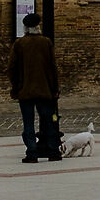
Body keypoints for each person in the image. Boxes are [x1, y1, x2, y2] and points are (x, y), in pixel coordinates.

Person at [10, 12, 61, 163]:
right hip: (45, 91)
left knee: (28, 122)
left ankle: (32, 152)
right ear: (38, 27)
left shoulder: (19, 44)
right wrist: (54, 88)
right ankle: (53, 151)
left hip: (25, 91)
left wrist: (16, 87)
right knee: (49, 121)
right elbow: (53, 68)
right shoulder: (46, 42)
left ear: (25, 28)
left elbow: (11, 68)